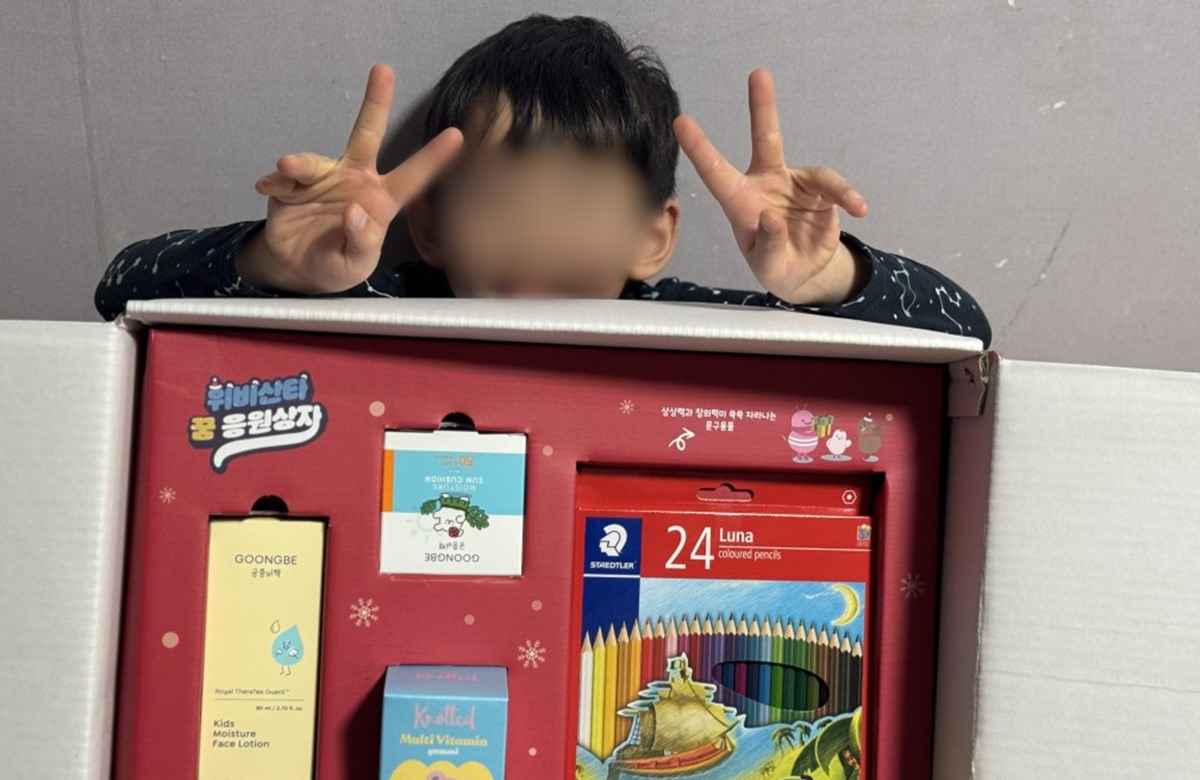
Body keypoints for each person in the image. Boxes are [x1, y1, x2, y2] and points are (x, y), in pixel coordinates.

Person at [94, 14, 990, 346]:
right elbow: (119, 291)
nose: (537, 237)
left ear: (654, 239)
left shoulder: (692, 332)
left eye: (579, 205)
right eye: (498, 201)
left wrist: (826, 280)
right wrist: (275, 263)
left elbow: (967, 337)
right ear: (431, 228)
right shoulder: (377, 310)